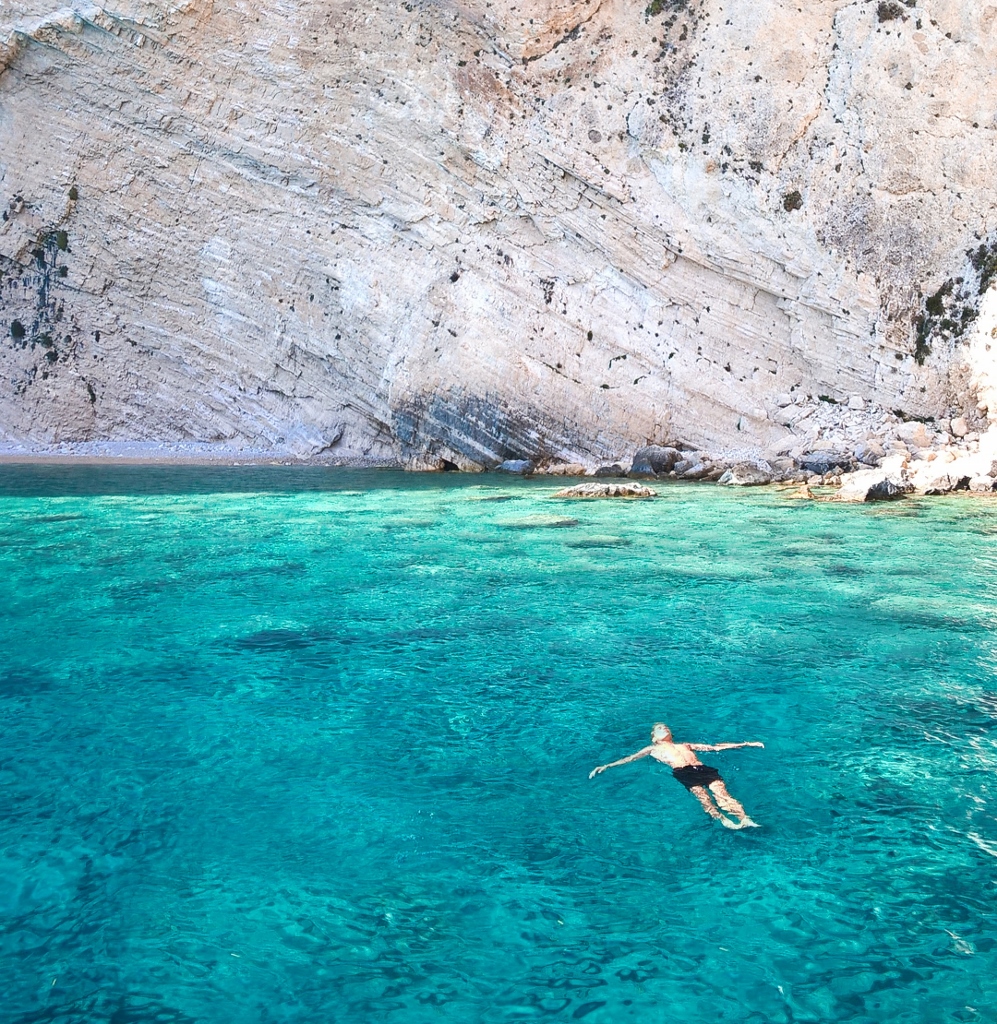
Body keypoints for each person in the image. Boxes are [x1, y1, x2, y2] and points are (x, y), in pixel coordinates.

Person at [589, 722, 763, 829]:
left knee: (722, 794)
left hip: (702, 769)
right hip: (683, 772)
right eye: (659, 728)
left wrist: (746, 743)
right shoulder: (652, 749)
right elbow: (630, 758)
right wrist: (606, 765)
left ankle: (744, 818)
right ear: (654, 737)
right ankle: (723, 820)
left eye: (666, 727)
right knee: (703, 798)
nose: (664, 728)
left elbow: (714, 747)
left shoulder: (685, 745)